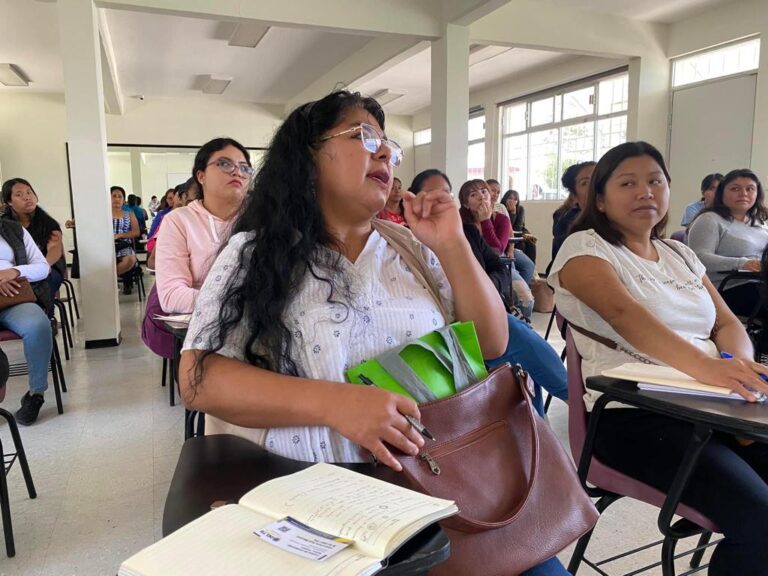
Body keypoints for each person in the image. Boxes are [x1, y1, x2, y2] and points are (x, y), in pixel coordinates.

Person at [178, 90, 565, 576]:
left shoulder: (410, 249)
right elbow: (199, 379)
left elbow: (491, 343)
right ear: (308, 156)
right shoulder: (252, 254)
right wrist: (336, 403)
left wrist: (451, 243)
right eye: (364, 137)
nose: (384, 152)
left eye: (389, 145)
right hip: (312, 501)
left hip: (443, 488)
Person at [549, 141, 768, 576]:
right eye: (627, 183)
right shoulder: (584, 248)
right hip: (633, 417)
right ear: (600, 199)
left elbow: (727, 323)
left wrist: (735, 365)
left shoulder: (680, 253)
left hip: (713, 409)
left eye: (654, 181)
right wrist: (709, 368)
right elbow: (624, 315)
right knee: (760, 522)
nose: (644, 191)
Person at [410, 169, 567, 416]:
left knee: (523, 357)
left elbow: (497, 262)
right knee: (517, 334)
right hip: (455, 325)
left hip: (487, 311)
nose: (437, 201)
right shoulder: (409, 242)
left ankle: (542, 425)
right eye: (429, 195)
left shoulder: (466, 231)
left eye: (445, 194)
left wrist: (484, 289)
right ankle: (575, 402)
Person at [155, 139, 251, 314]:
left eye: (244, 167)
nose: (238, 172)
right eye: (225, 164)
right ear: (201, 176)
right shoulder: (179, 221)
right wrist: (237, 305)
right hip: (205, 326)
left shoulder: (262, 219)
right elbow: (172, 295)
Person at [687, 168, 768, 317]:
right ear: (722, 193)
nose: (743, 193)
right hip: (727, 288)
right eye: (735, 189)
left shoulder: (760, 224)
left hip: (759, 284)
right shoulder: (710, 220)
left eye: (750, 189)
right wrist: (742, 263)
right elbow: (698, 257)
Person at [0, 218, 53, 425]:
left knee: (38, 325)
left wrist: (14, 272)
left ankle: (36, 394)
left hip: (14, 296)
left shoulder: (12, 229)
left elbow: (43, 267)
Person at [459, 179, 535, 315]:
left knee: (526, 300)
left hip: (497, 266)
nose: (481, 196)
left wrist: (485, 221)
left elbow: (496, 251)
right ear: (466, 204)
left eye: (484, 191)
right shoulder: (460, 222)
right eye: (473, 195)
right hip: (470, 269)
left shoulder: (501, 219)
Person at [1, 178, 66, 296]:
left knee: (43, 284)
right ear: (9, 202)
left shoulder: (48, 223)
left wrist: (44, 266)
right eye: (19, 195)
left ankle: (45, 313)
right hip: (15, 271)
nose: (27, 197)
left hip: (48, 266)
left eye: (29, 192)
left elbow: (55, 249)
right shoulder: (5, 225)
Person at [552, 161, 596, 261]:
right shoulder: (568, 222)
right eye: (585, 183)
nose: (594, 186)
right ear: (574, 196)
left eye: (598, 179)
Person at [111, 186, 140, 295]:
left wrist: (119, 235)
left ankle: (110, 280)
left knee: (130, 259)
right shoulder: (103, 214)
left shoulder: (129, 214)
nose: (117, 199)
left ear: (123, 200)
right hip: (105, 246)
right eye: (114, 196)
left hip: (123, 245)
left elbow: (136, 232)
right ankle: (111, 281)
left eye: (120, 197)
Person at [501, 188, 537, 263]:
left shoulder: (520, 209)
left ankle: (533, 269)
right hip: (507, 233)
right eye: (510, 198)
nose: (512, 201)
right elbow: (508, 227)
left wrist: (514, 212)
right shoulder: (501, 208)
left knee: (531, 244)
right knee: (522, 246)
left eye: (515, 199)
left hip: (519, 232)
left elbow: (518, 228)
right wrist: (513, 214)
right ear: (505, 198)